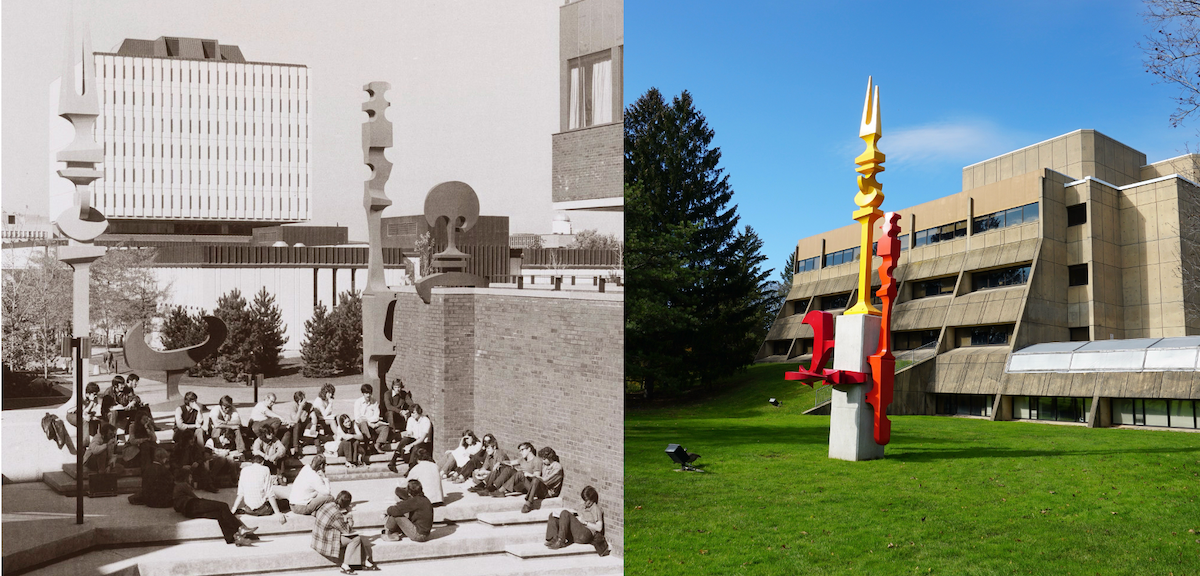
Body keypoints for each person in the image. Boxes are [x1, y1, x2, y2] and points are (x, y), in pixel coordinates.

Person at [173, 467, 255, 546]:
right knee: (223, 506)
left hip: (189, 511)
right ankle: (241, 528)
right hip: (193, 504)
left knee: (219, 514)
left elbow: (176, 506)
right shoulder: (183, 485)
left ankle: (235, 537)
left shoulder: (177, 487)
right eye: (190, 476)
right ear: (186, 477)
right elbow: (195, 498)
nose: (191, 479)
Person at [311, 491, 379, 574]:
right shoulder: (336, 514)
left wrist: (342, 516)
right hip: (325, 542)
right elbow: (347, 530)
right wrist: (350, 517)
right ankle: (345, 566)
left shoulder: (327, 504)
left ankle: (364, 561)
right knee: (356, 539)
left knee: (356, 538)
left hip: (318, 537)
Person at [545, 485, 609, 555]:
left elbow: (599, 528)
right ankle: (552, 539)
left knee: (565, 513)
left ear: (592, 499)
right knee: (553, 515)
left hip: (585, 533)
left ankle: (560, 541)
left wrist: (585, 522)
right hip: (577, 531)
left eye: (586, 500)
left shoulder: (595, 509)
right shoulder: (582, 506)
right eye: (584, 500)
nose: (585, 502)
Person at [231, 455, 288, 522]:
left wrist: (233, 509)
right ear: (262, 462)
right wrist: (277, 512)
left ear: (252, 462)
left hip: (249, 510)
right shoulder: (265, 469)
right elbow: (269, 493)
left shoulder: (244, 470)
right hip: (263, 510)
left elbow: (240, 494)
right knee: (285, 502)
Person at [521, 447, 564, 513]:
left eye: (544, 459)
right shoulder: (545, 465)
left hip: (549, 492)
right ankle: (529, 497)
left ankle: (528, 503)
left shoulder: (557, 468)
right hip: (542, 488)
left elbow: (546, 481)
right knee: (521, 475)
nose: (543, 461)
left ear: (549, 458)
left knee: (536, 480)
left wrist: (532, 476)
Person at [353, 384, 389, 455]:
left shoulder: (374, 402)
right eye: (366, 393)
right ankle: (369, 443)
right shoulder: (358, 402)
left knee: (385, 428)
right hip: (361, 426)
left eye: (369, 393)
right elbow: (357, 418)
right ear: (363, 393)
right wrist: (367, 422)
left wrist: (368, 421)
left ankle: (377, 445)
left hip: (373, 424)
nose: (368, 395)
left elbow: (376, 416)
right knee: (363, 423)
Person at [173, 392, 207, 466]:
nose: (195, 403)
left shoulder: (196, 410)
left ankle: (201, 453)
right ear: (187, 401)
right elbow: (181, 426)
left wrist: (199, 411)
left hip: (192, 432)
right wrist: (194, 426)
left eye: (195, 401)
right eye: (192, 401)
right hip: (180, 432)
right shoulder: (179, 409)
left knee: (200, 431)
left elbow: (200, 423)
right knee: (185, 432)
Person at [283, 390, 319, 457]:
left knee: (312, 424)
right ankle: (296, 449)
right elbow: (295, 421)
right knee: (297, 425)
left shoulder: (309, 405)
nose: (305, 401)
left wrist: (314, 425)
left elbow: (314, 417)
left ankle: (318, 448)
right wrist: (300, 408)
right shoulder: (293, 407)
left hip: (305, 427)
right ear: (299, 401)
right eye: (303, 400)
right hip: (295, 430)